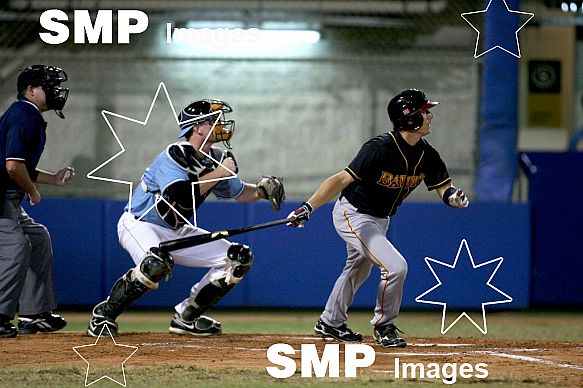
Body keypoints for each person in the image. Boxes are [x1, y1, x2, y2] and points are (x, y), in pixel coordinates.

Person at [87, 99, 285, 337]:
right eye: (213, 120)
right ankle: (104, 316)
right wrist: (220, 172)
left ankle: (186, 317)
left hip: (178, 229)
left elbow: (241, 193)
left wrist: (263, 191)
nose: (220, 124)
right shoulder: (175, 154)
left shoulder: (217, 157)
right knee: (154, 264)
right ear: (197, 127)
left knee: (238, 258)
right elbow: (179, 196)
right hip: (140, 223)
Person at [287, 89, 469, 348]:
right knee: (396, 267)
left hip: (381, 219)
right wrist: (308, 207)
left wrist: (453, 198)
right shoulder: (380, 148)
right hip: (354, 213)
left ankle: (330, 321)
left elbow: (444, 188)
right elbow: (341, 179)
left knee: (357, 269)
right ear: (409, 119)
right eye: (424, 112)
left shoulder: (427, 155)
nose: (430, 116)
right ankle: (384, 326)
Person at [0, 65, 75, 338]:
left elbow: (17, 166)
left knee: (38, 237)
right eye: (48, 86)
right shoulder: (22, 114)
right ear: (31, 91)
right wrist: (33, 191)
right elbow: (12, 167)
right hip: (4, 196)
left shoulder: (27, 114)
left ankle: (33, 314)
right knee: (16, 245)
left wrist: (53, 179)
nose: (56, 91)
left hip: (8, 196)